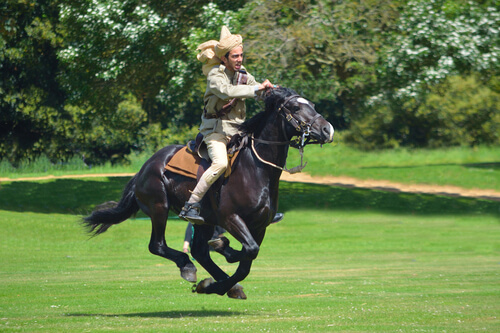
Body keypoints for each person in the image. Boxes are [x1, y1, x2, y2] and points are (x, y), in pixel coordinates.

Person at [179, 26, 274, 224]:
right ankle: (191, 204)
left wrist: (272, 91)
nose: (239, 60)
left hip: (239, 130)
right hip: (216, 131)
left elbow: (258, 92)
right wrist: (256, 88)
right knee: (220, 164)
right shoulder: (214, 75)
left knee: (261, 159)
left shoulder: (244, 74)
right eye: (235, 56)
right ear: (224, 58)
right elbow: (227, 92)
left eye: (241, 55)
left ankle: (262, 209)